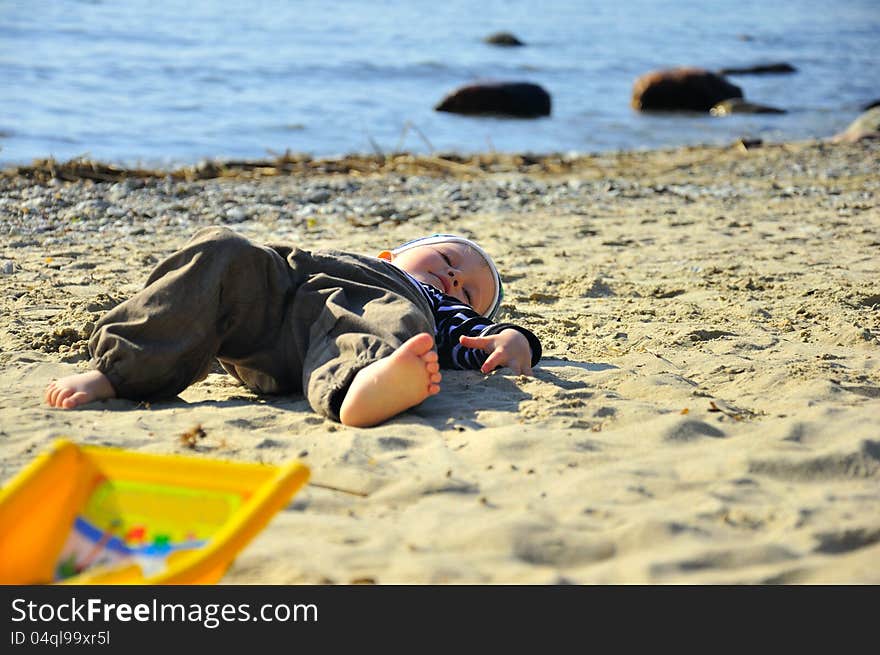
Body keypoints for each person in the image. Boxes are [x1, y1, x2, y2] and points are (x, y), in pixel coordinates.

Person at [43, 227, 542, 427]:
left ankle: (363, 385)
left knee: (394, 325)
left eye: (469, 292)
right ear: (395, 253)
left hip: (342, 327)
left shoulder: (426, 298)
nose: (455, 278)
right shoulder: (365, 259)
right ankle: (119, 371)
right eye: (452, 258)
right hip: (280, 294)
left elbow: (474, 341)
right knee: (223, 252)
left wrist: (514, 339)